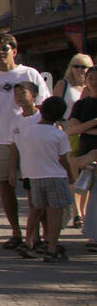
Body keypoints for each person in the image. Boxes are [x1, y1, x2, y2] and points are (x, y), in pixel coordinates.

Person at [0, 32, 46, 249]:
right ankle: (16, 231)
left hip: (30, 139)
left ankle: (37, 234)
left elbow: (42, 105)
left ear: (14, 50)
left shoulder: (30, 74)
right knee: (5, 186)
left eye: (4, 49)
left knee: (34, 186)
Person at [13, 96, 74, 262]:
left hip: (34, 175)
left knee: (36, 210)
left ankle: (29, 243)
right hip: (55, 176)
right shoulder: (59, 134)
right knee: (55, 212)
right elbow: (63, 159)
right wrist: (71, 175)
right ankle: (52, 247)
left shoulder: (29, 131)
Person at [56, 54, 93, 227]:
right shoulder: (64, 84)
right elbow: (54, 106)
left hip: (84, 131)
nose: (79, 70)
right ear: (70, 67)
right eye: (76, 66)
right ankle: (77, 212)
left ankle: (84, 212)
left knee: (87, 174)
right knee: (73, 173)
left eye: (84, 67)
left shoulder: (89, 87)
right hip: (67, 130)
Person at [7, 81, 44, 253]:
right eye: (16, 94)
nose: (19, 97)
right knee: (33, 204)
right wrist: (13, 170)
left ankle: (48, 237)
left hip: (44, 168)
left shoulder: (43, 117)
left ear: (34, 95)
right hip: (28, 169)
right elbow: (14, 147)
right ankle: (34, 238)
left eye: (23, 93)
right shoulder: (15, 120)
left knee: (44, 206)